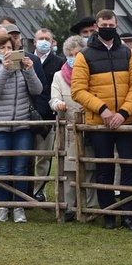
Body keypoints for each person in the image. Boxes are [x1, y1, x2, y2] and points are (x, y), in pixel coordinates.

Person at [71, 9, 132, 231]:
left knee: (130, 166)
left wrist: (123, 112)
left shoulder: (127, 53)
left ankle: (128, 213)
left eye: (111, 25)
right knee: (104, 168)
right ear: (97, 25)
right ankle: (108, 213)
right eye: (104, 25)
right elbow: (78, 90)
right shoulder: (84, 55)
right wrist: (102, 109)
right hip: (99, 122)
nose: (107, 28)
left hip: (124, 120)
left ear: (116, 25)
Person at [0, 34, 43, 223]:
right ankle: (2, 207)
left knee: (20, 168)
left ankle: (19, 207)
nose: (6, 51)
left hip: (23, 125)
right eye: (2, 48)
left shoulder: (23, 70)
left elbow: (37, 90)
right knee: (1, 167)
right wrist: (5, 70)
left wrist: (30, 70)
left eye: (9, 47)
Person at [49, 36, 97, 221]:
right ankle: (68, 206)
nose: (73, 58)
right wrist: (58, 104)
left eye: (77, 54)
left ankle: (88, 206)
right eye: (70, 54)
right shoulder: (58, 76)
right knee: (68, 170)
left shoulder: (91, 74)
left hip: (89, 127)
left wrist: (91, 106)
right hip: (68, 128)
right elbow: (53, 99)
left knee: (90, 167)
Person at [30, 28, 65, 202]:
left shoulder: (59, 62)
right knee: (26, 155)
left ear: (52, 42)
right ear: (34, 42)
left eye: (47, 38)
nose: (44, 41)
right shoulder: (26, 60)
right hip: (28, 114)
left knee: (44, 156)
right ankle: (25, 188)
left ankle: (39, 190)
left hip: (49, 116)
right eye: (40, 38)